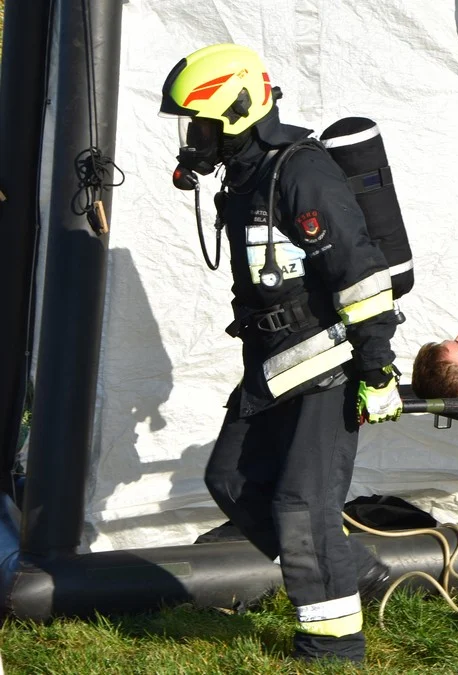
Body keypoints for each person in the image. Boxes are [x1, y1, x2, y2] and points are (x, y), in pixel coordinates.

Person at [160, 44, 400, 663]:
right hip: (270, 368)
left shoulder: (302, 170)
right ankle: (367, 579)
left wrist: (376, 366)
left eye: (202, 122)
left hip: (328, 364)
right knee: (231, 479)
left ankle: (332, 645)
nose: (195, 136)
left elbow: (358, 269)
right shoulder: (245, 178)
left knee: (302, 506)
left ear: (236, 110)